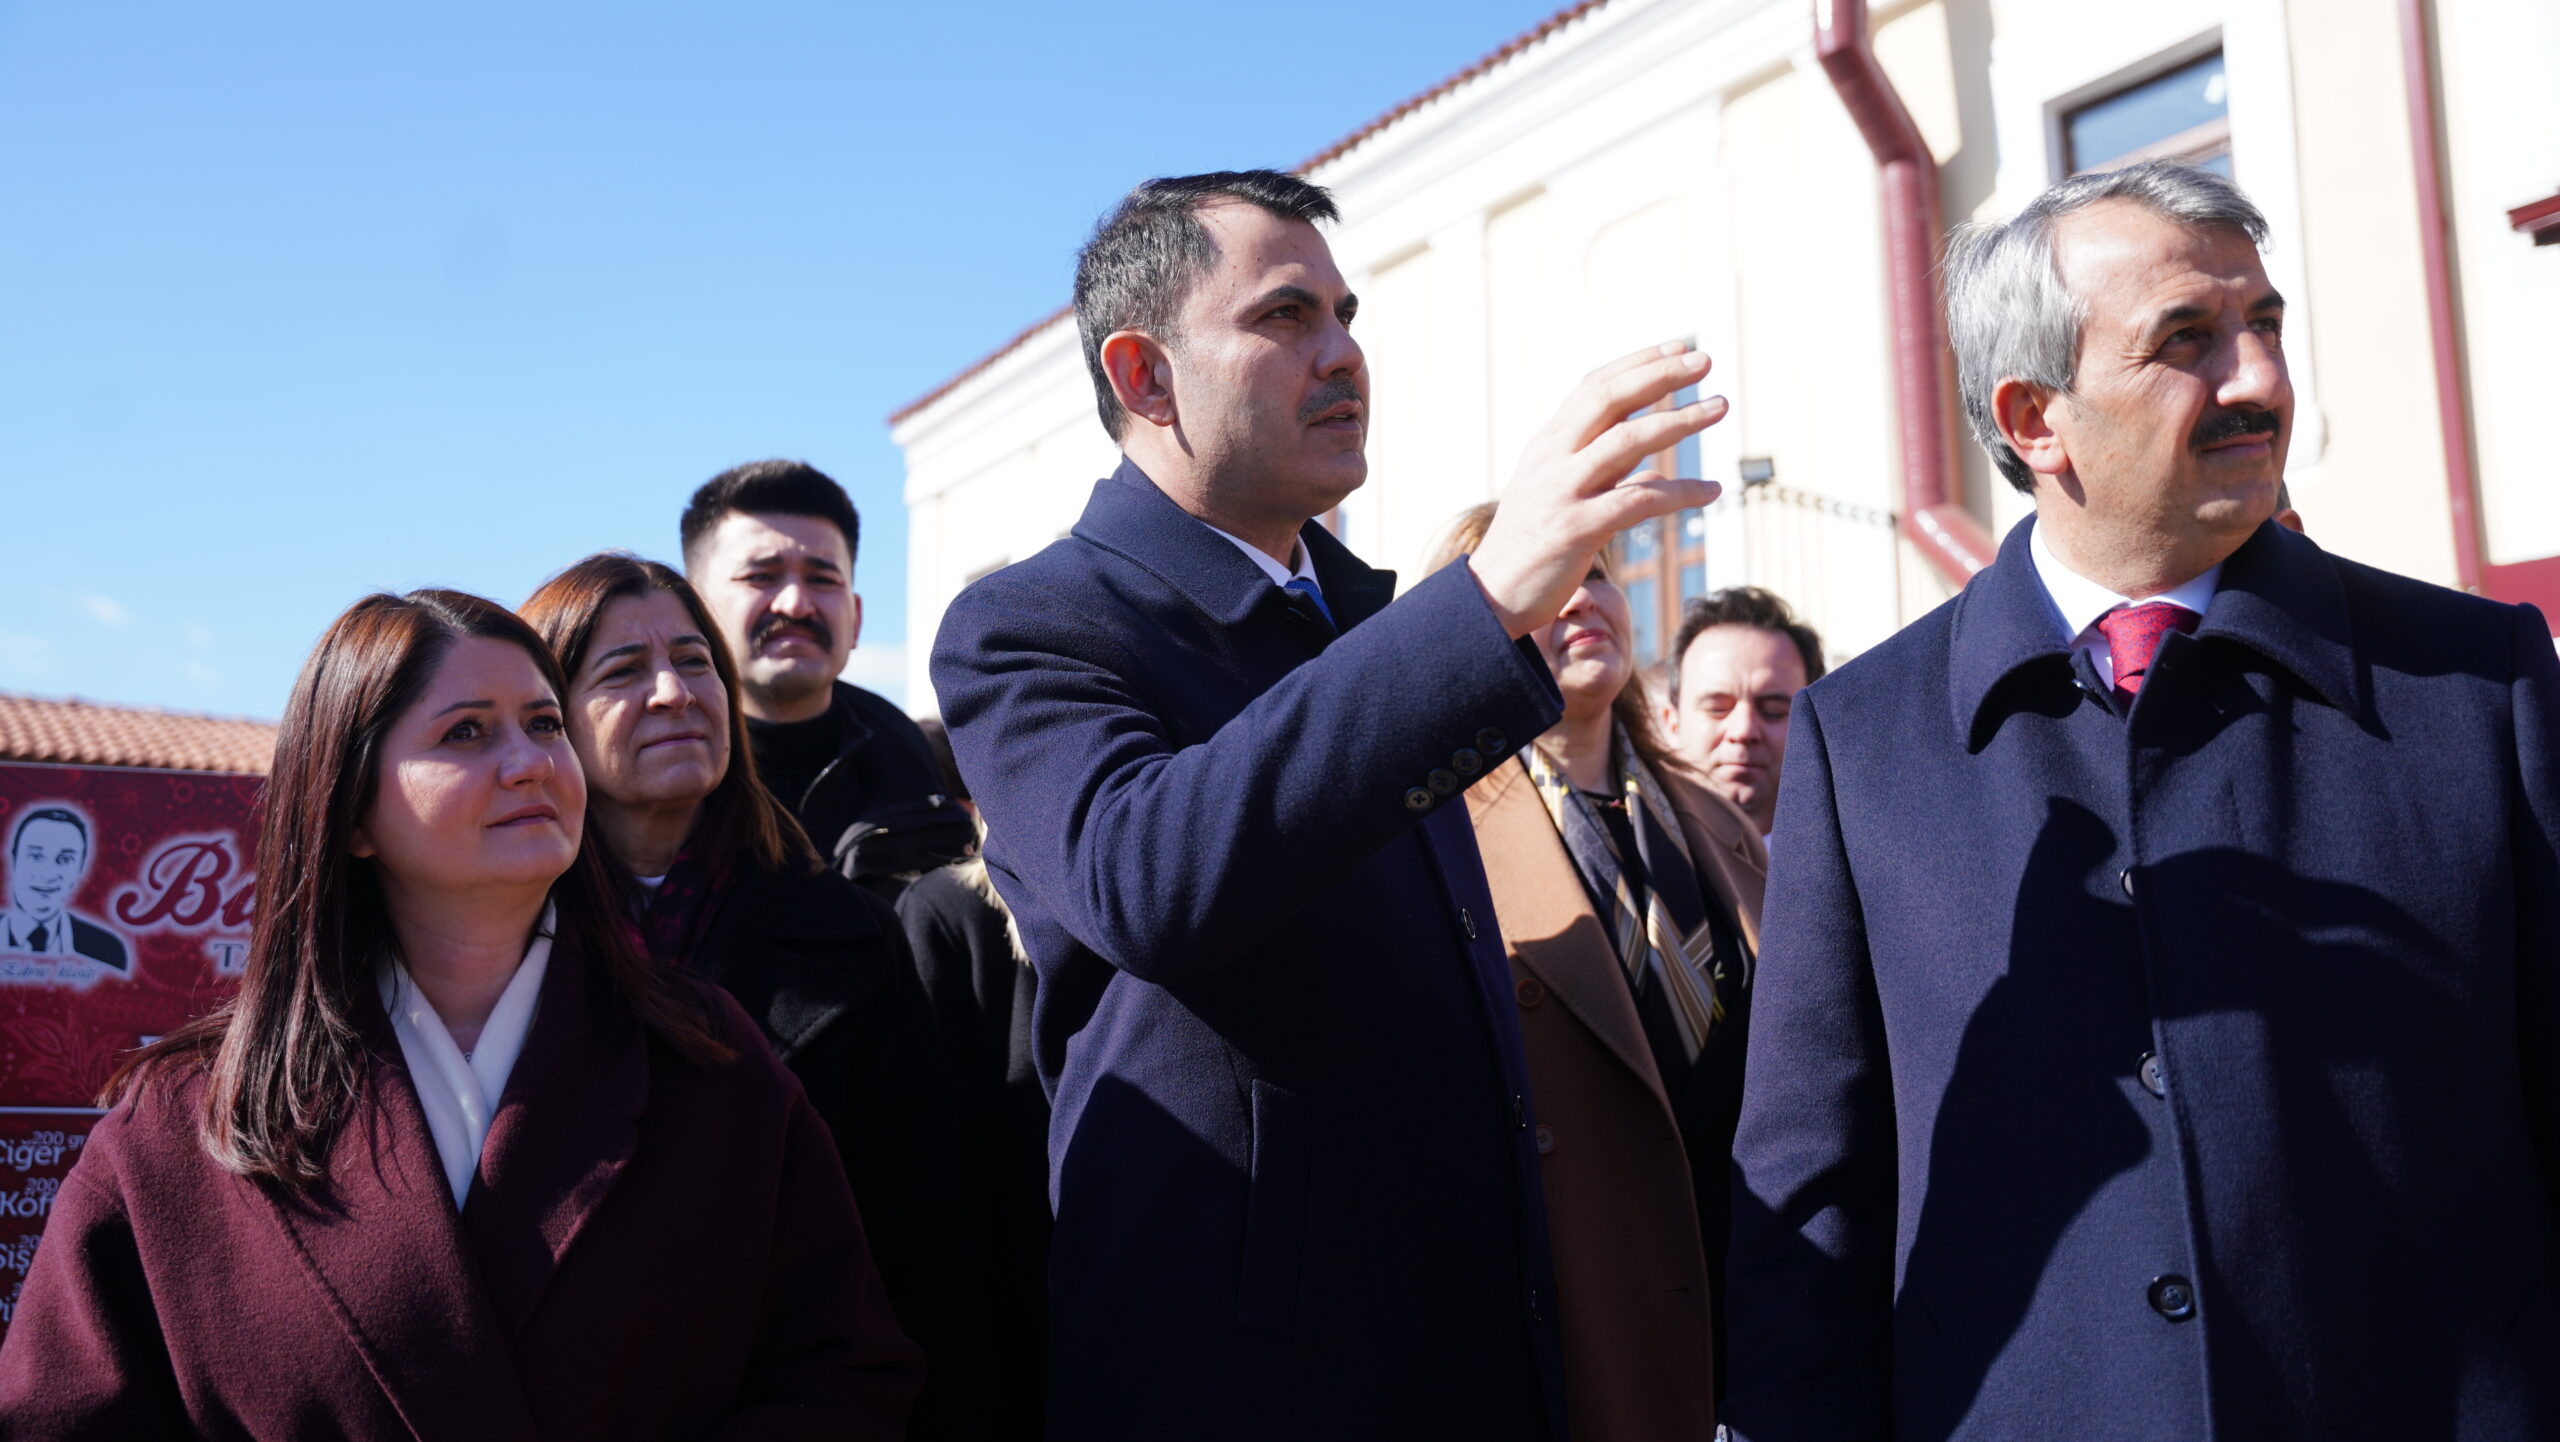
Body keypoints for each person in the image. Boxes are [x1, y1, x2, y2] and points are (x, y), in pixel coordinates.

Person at [1724, 159, 2560, 1441]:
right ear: (2034, 417)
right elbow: (1810, 1191)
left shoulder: (2475, 681)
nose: (2259, 380)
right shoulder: (1864, 738)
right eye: (2187, 341)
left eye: (2264, 324)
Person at [931, 168, 1725, 1440]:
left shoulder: (1373, 621)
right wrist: (1477, 605)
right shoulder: (1033, 623)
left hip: (1480, 1350)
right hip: (1246, 1380)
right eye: (1284, 317)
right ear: (1143, 377)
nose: (1344, 354)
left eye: (1346, 315)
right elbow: (1150, 881)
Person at [0, 589, 919, 1438]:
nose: (528, 763)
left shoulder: (712, 1064)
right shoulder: (183, 1123)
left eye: (545, 723)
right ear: (351, 810)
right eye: (468, 732)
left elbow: (847, 1380)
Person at [521, 552, 995, 1440]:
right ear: (550, 721)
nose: (674, 693)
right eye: (623, 671)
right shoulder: (490, 947)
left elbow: (927, 1254)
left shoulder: (852, 938)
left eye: (695, 661)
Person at [1426, 503, 1766, 1440]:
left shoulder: (1715, 817)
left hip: (1757, 1303)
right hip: (1582, 1323)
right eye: (1550, 578)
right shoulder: (1439, 837)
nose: (1585, 598)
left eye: (1602, 571)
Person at [682, 459, 973, 896]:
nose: (796, 604)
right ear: (694, 610)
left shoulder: (921, 782)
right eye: (761, 576)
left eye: (822, 579)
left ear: (855, 618)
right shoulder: (647, 775)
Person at [1659, 588, 1825, 835]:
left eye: (1773, 710)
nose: (1744, 730)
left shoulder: (1863, 862)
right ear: (1672, 725)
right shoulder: (1634, 856)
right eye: (1717, 708)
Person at [2, 807, 129, 969]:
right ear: (14, 859)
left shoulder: (106, 949)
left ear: (80, 868)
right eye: (36, 857)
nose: (48, 874)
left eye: (64, 860)